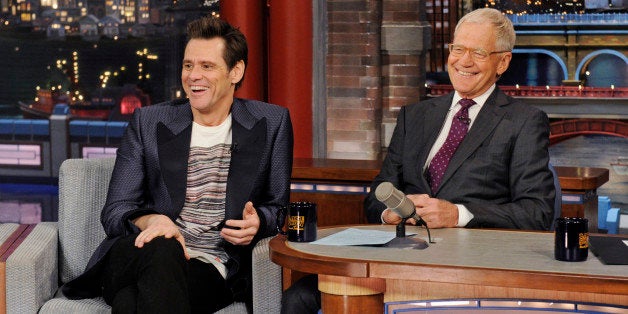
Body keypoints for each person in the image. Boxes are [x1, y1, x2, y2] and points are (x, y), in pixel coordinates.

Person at [281, 7, 555, 313]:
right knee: (299, 298)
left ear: (502, 61)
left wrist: (458, 214)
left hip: (468, 271)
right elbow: (377, 194)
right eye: (458, 49)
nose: (464, 61)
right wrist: (390, 213)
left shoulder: (524, 121)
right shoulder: (415, 116)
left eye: (478, 52)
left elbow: (537, 212)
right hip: (396, 258)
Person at [62, 16, 294, 313]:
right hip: (136, 253)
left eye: (206, 66)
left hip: (213, 265)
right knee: (163, 245)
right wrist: (153, 221)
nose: (193, 76)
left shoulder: (272, 123)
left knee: (130, 302)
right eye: (188, 65)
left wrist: (259, 221)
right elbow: (115, 211)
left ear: (235, 71)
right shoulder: (149, 122)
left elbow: (278, 208)